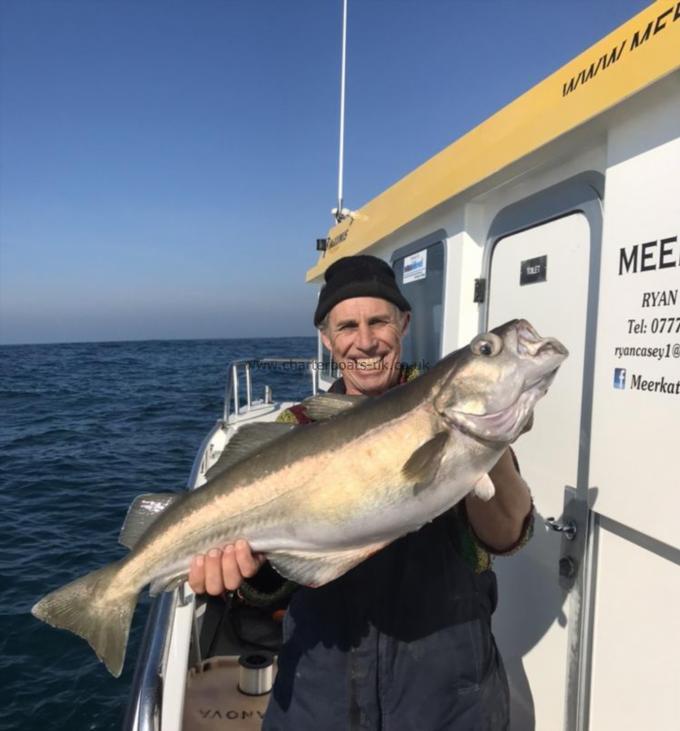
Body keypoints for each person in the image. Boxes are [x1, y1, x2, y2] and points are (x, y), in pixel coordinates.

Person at [188, 255, 533, 730]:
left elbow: (506, 535)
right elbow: (272, 584)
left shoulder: (449, 403)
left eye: (379, 322)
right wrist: (244, 572)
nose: (365, 341)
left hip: (449, 695)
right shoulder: (297, 428)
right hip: (322, 695)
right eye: (347, 326)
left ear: (404, 324)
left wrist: (492, 447)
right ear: (327, 339)